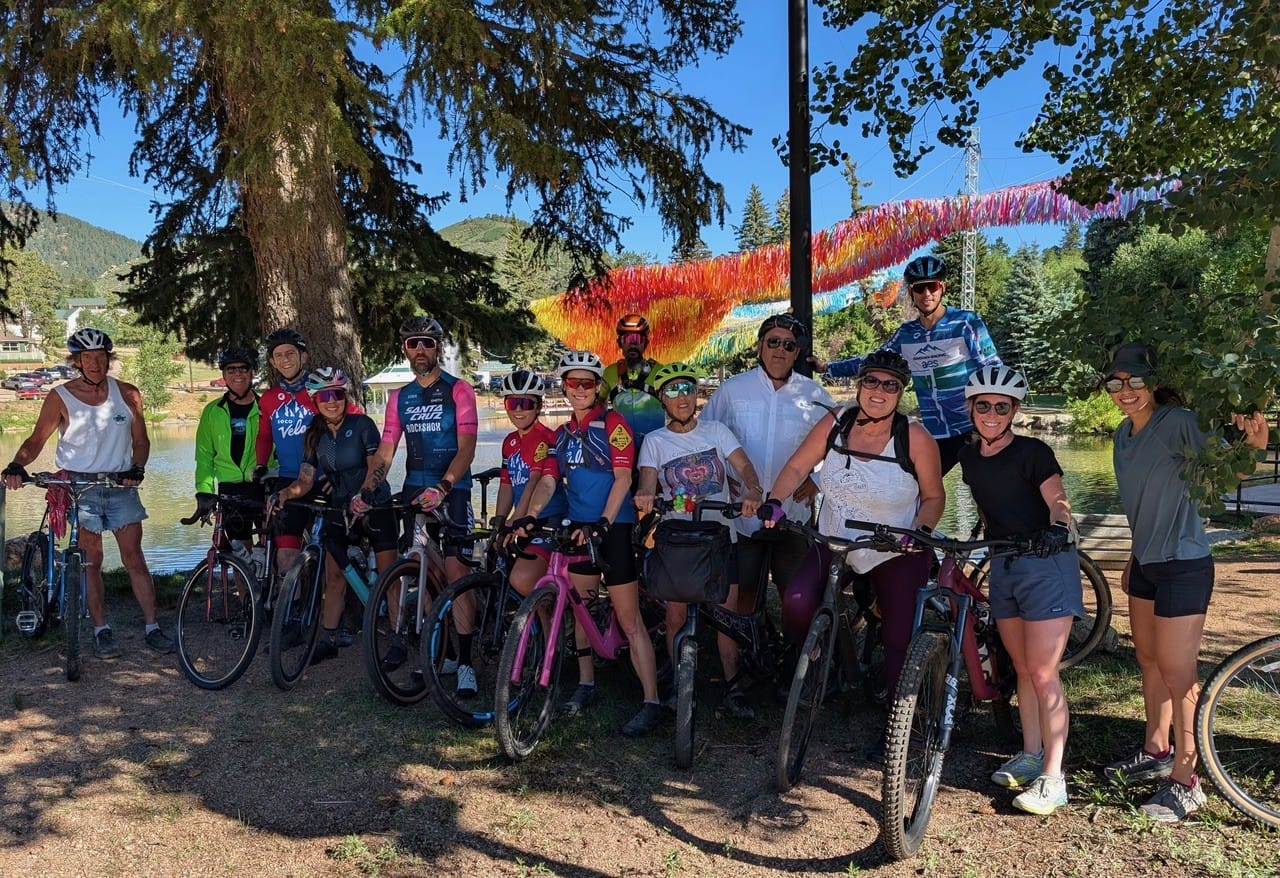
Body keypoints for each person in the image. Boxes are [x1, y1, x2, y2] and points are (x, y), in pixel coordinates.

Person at [1100, 343, 1269, 822]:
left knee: (1178, 672)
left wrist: (1254, 446)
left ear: (1152, 382)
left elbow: (1232, 465)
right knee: (1149, 659)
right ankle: (1155, 751)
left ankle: (1187, 777)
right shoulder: (1121, 436)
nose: (1126, 391)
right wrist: (1134, 555)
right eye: (1116, 382)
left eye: (1134, 381)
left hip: (1184, 563)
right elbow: (1141, 502)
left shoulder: (1177, 421)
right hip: (1146, 563)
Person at [761, 349, 944, 758]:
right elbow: (796, 468)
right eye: (872, 382)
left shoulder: (914, 437)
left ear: (901, 392)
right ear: (860, 384)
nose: (879, 391)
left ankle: (900, 723)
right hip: (836, 541)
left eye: (890, 385)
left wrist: (920, 533)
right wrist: (775, 500)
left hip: (895, 547)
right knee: (795, 602)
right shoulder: (836, 422)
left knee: (899, 636)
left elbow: (933, 496)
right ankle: (818, 660)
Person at [956, 365, 1083, 816]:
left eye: (1002, 407)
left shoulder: (1033, 452)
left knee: (1045, 671)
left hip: (1046, 563)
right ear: (971, 408)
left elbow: (1059, 501)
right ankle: (1030, 755)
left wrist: (1058, 527)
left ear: (1014, 411)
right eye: (984, 406)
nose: (992, 414)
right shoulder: (969, 456)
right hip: (1004, 565)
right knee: (1024, 668)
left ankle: (1055, 776)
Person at [2, 328, 173, 657]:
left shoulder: (128, 394)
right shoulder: (60, 396)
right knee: (90, 561)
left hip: (120, 483)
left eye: (101, 357)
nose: (95, 363)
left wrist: (137, 468)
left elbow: (141, 441)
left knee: (134, 558)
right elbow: (36, 440)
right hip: (80, 486)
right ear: (77, 362)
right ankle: (101, 629)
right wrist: (15, 464)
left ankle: (153, 627)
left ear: (109, 359)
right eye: (87, 358)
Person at [524, 349, 664, 737]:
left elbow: (623, 478)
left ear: (598, 386)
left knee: (628, 618)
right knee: (582, 609)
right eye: (573, 382)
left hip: (612, 527)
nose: (580, 389)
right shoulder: (563, 434)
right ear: (565, 387)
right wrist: (532, 515)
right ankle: (586, 685)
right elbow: (549, 480)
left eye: (587, 382)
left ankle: (651, 700)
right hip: (578, 529)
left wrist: (604, 521)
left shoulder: (614, 423)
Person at [633, 362, 765, 719]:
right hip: (680, 540)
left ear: (697, 395)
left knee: (727, 614)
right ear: (662, 397)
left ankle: (733, 686)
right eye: (673, 391)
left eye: (688, 389)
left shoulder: (717, 431)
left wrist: (753, 488)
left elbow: (744, 466)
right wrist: (645, 496)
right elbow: (647, 481)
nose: (682, 397)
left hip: (722, 535)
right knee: (675, 615)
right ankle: (679, 682)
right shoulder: (655, 442)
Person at [359, 316, 479, 695]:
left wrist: (445, 486)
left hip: (452, 490)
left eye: (427, 342)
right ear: (405, 350)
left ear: (438, 347)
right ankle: (438, 648)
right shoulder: (400, 398)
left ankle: (467, 662)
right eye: (413, 343)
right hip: (414, 489)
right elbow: (386, 450)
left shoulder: (459, 390)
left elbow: (468, 446)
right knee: (421, 570)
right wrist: (366, 491)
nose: (420, 350)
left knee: (457, 572)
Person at [819, 254, 1001, 473]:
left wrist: (995, 418)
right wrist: (828, 369)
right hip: (935, 433)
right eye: (919, 288)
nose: (927, 294)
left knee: (989, 496)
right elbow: (874, 362)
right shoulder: (907, 334)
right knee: (918, 493)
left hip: (972, 428)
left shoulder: (965, 323)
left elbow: (993, 370)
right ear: (911, 292)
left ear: (942, 287)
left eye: (932, 287)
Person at [701, 314, 834, 612]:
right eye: (773, 342)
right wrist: (723, 478)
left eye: (789, 345)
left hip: (793, 513)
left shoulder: (814, 395)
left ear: (796, 353)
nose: (780, 350)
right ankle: (748, 652)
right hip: (741, 513)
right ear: (760, 346)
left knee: (796, 598)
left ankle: (795, 655)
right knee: (743, 596)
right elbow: (705, 439)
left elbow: (845, 446)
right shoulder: (732, 390)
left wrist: (819, 480)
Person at [268, 368, 398, 663]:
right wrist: (286, 494)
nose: (332, 401)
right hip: (339, 506)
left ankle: (396, 638)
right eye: (325, 396)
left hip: (374, 504)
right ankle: (327, 639)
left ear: (344, 397)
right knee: (334, 574)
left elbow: (375, 465)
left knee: (390, 577)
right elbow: (305, 480)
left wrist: (364, 494)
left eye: (337, 395)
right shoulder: (314, 436)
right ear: (315, 401)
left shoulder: (362, 425)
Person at [489, 369, 568, 595]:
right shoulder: (509, 442)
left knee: (523, 579)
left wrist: (515, 520)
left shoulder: (545, 438)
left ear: (538, 406)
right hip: (523, 519)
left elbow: (534, 482)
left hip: (548, 518)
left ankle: (555, 622)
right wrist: (500, 521)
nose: (519, 410)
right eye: (512, 403)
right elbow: (506, 484)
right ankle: (543, 625)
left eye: (526, 403)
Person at [192, 346, 263, 560]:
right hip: (230, 489)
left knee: (273, 552)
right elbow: (204, 456)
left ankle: (276, 593)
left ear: (252, 372)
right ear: (223, 375)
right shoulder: (213, 411)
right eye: (231, 370)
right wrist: (204, 491)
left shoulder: (266, 407)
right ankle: (246, 595)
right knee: (241, 555)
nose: (237, 374)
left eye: (243, 369)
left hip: (263, 484)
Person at [600, 312, 665, 449]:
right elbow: (599, 405)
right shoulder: (610, 372)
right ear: (620, 343)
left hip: (656, 446)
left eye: (638, 339)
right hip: (621, 447)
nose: (633, 344)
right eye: (628, 339)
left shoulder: (660, 371)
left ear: (645, 343)